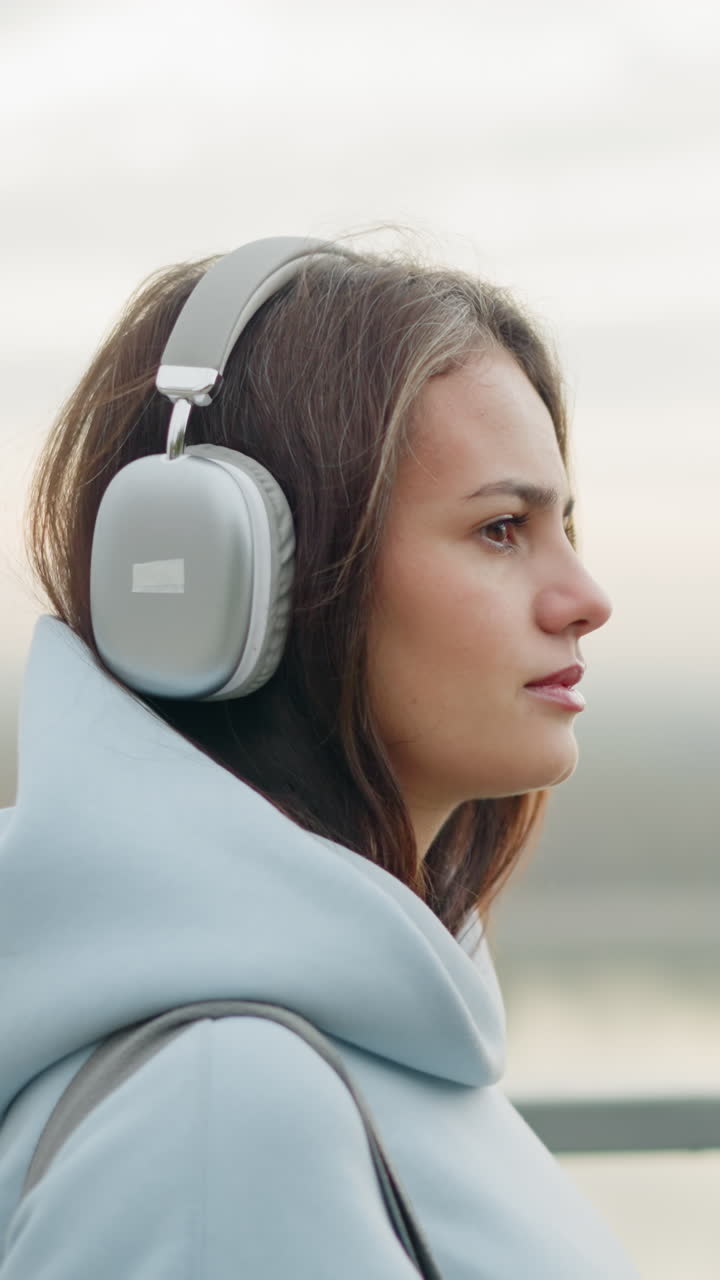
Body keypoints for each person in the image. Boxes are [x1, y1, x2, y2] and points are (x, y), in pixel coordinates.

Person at [0, 236, 639, 1277]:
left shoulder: (367, 1046)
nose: (585, 597)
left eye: (563, 524)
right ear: (238, 574)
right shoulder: (223, 1115)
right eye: (501, 528)